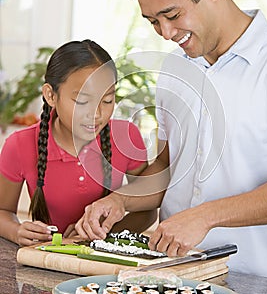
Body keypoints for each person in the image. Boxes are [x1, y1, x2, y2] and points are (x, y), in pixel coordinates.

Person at [76, 0, 267, 282]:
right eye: (153, 22)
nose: (165, 32)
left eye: (172, 14)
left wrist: (205, 216)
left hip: (262, 281)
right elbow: (168, 164)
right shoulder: (174, 67)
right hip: (173, 277)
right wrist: (122, 200)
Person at [0, 39, 157, 246]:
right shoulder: (20, 144)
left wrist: (99, 235)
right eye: (83, 101)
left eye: (108, 100)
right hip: (48, 260)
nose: (97, 114)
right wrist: (17, 230)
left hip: (104, 260)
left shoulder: (127, 136)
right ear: (51, 95)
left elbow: (147, 210)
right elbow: (3, 212)